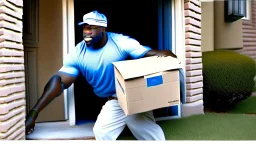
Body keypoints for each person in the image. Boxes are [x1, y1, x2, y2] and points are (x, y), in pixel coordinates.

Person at [25, 10, 177, 140]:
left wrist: (167, 55)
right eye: (85, 27)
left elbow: (150, 54)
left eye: (92, 27)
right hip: (114, 101)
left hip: (133, 96)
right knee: (101, 131)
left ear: (103, 29)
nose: (87, 31)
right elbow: (58, 82)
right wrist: (33, 114)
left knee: (151, 136)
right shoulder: (78, 53)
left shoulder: (121, 42)